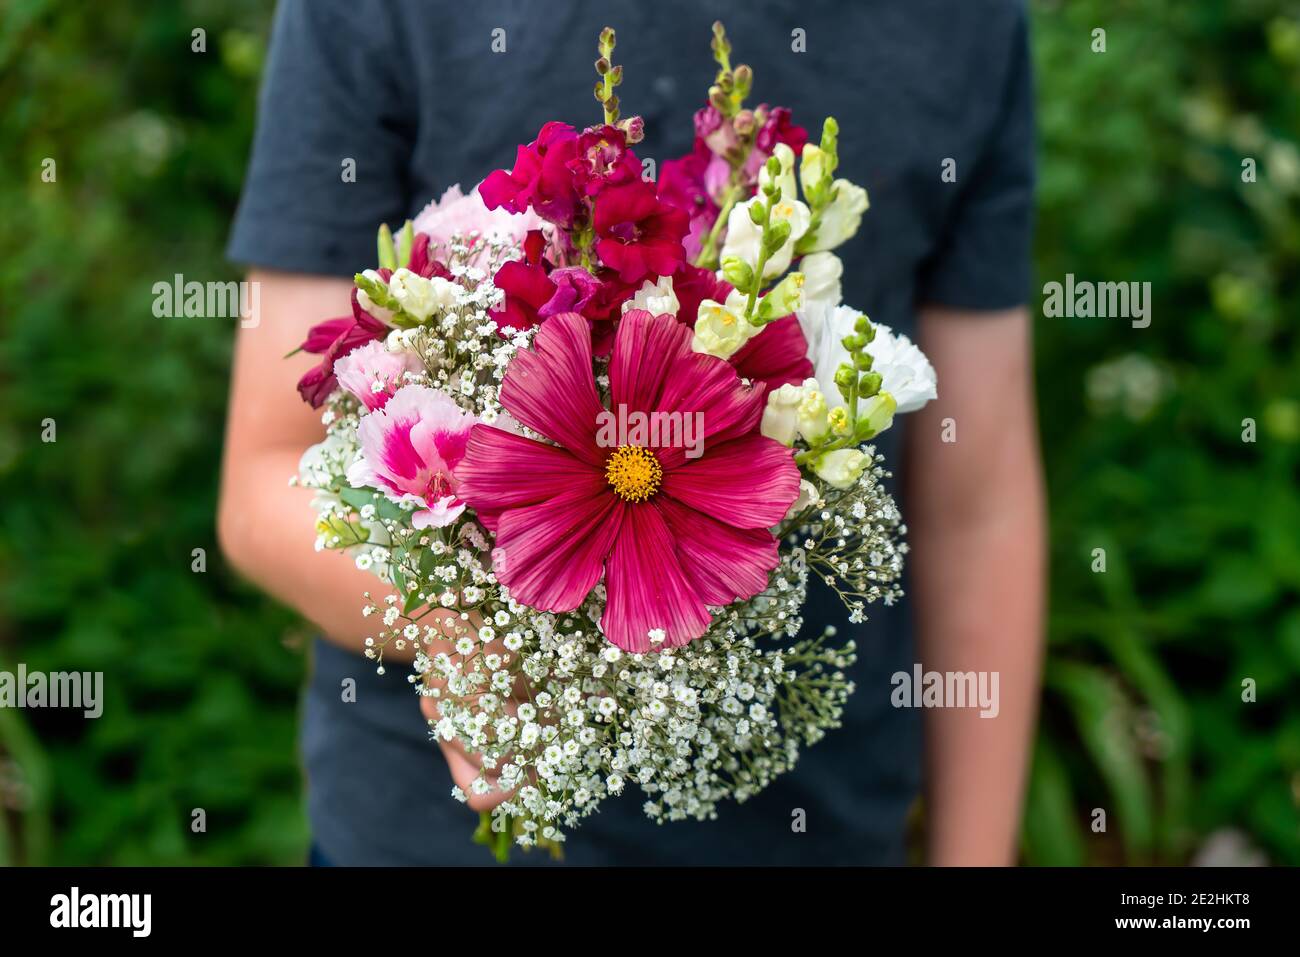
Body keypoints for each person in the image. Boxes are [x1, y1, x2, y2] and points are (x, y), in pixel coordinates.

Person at [218, 0, 1045, 865]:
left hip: (815, 830)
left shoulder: (966, 24)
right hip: (423, 835)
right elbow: (264, 477)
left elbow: (977, 510)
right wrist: (458, 635)